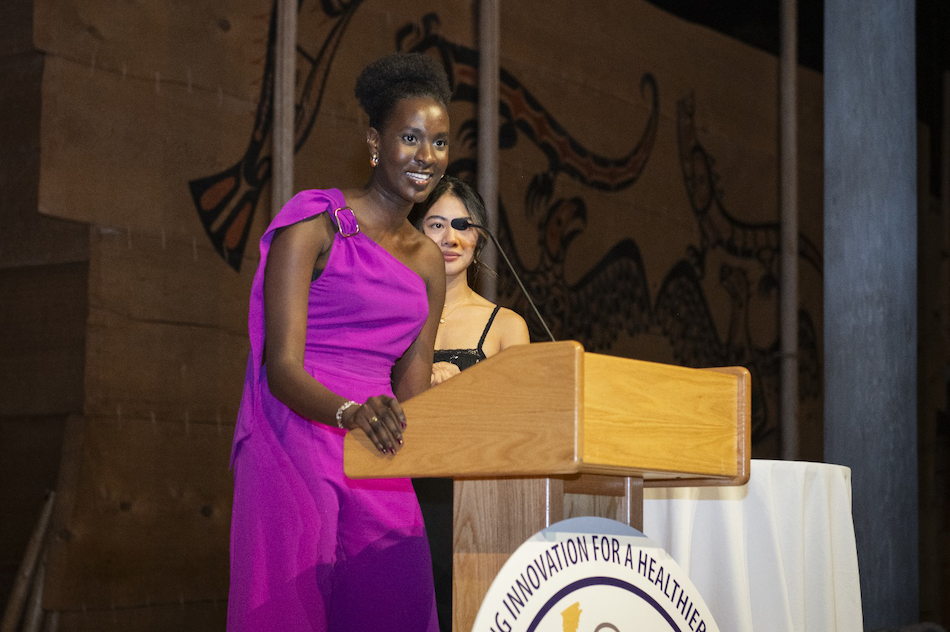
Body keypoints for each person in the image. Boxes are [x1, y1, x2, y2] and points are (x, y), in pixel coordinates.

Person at [227, 52, 451, 632]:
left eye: (440, 143)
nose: (426, 156)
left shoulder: (428, 261)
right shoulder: (313, 224)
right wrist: (350, 413)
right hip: (298, 436)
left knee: (398, 603)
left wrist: (462, 414)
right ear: (375, 142)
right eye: (410, 137)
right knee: (291, 610)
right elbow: (281, 366)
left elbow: (413, 383)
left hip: (380, 446)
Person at [412, 176, 530, 630]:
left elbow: (521, 427)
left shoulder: (506, 325)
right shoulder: (392, 318)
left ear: (479, 238)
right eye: (436, 224)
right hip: (395, 490)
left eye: (463, 225)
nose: (450, 237)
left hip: (470, 503)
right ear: (414, 233)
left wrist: (464, 388)